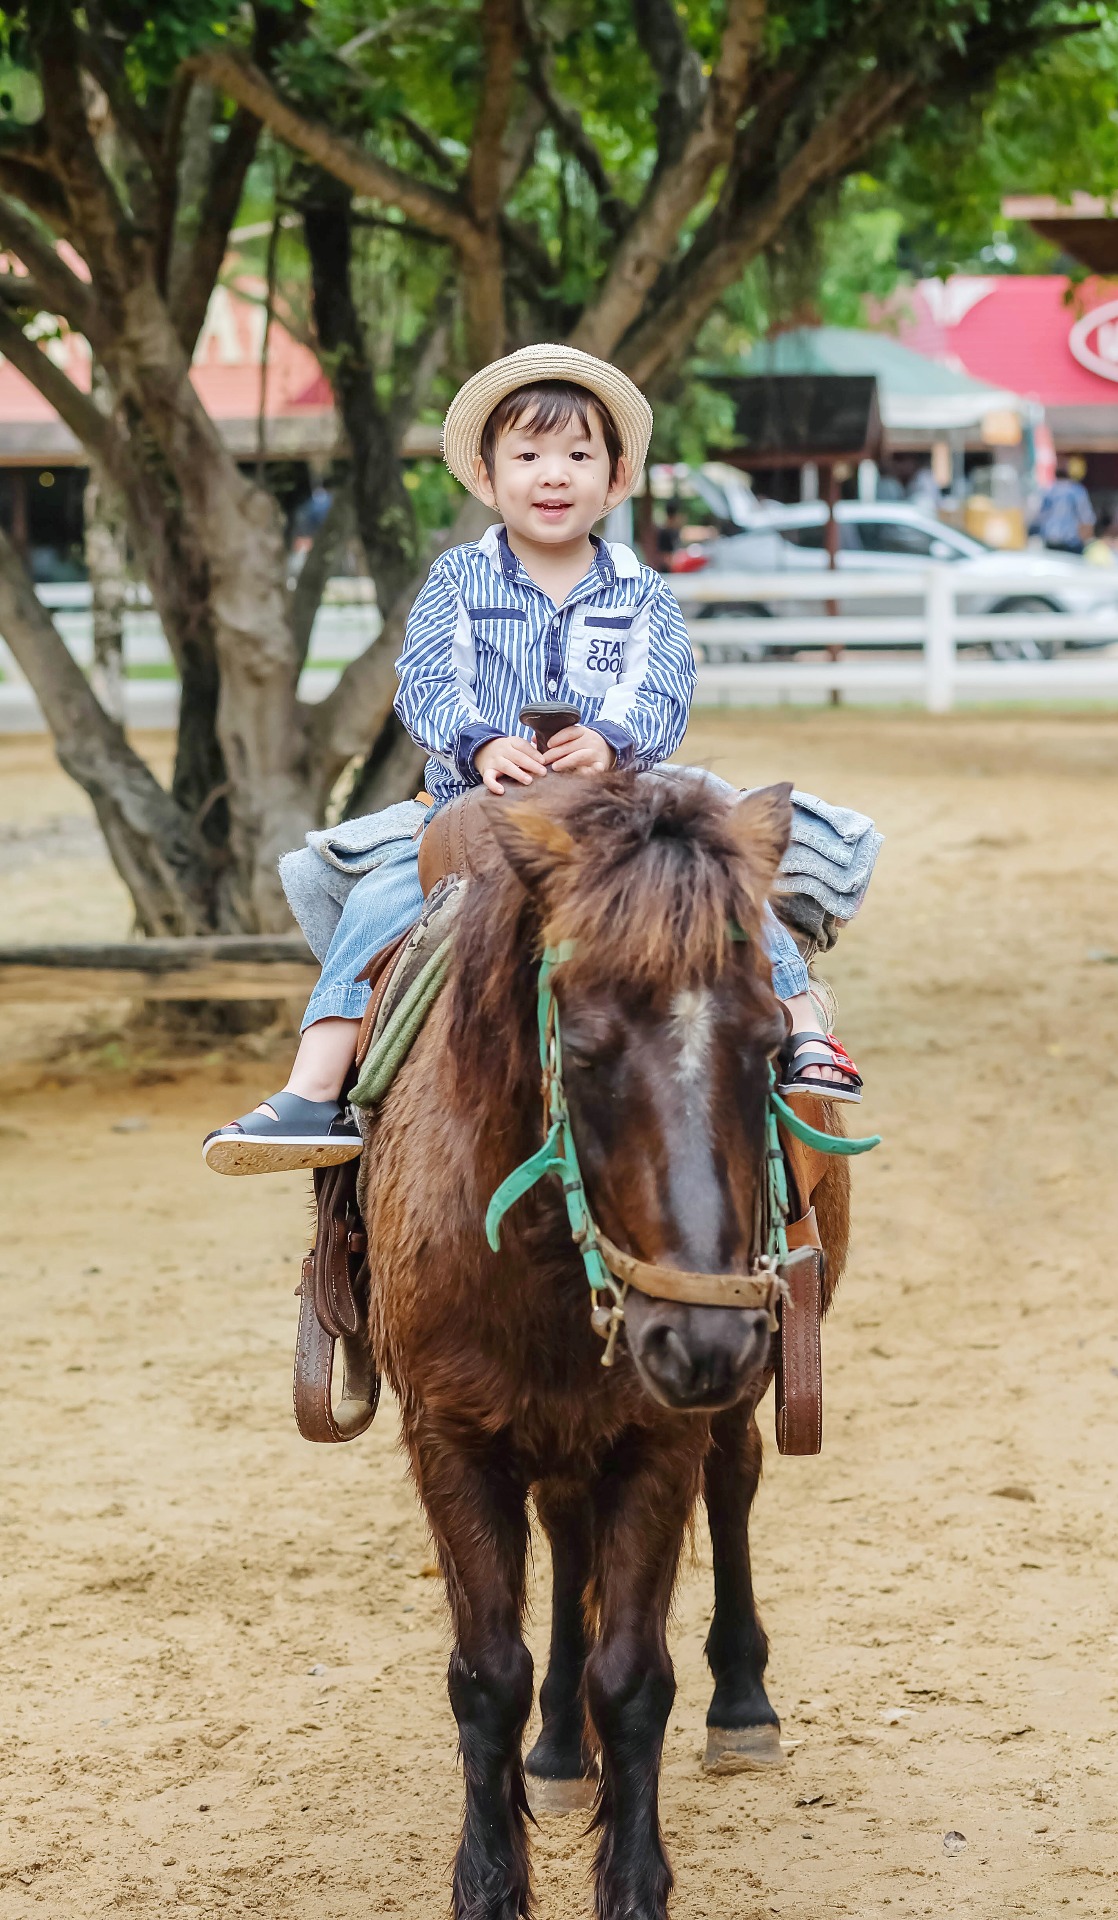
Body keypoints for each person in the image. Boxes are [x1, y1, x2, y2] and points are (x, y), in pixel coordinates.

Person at [203, 344, 863, 1175]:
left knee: (716, 870)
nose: (554, 474)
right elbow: (425, 682)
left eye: (579, 456)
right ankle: (317, 1085)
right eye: (528, 455)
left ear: (614, 479)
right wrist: (480, 742)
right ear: (487, 477)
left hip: (616, 803)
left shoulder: (639, 589)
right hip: (484, 806)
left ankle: (805, 1030)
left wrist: (611, 740)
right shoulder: (458, 581)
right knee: (382, 896)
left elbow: (663, 686)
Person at [1032, 458, 1095, 555]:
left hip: (1050, 542)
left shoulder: (1048, 490)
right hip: (1071, 543)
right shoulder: (1077, 491)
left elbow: (1039, 517)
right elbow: (1086, 519)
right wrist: (1088, 541)